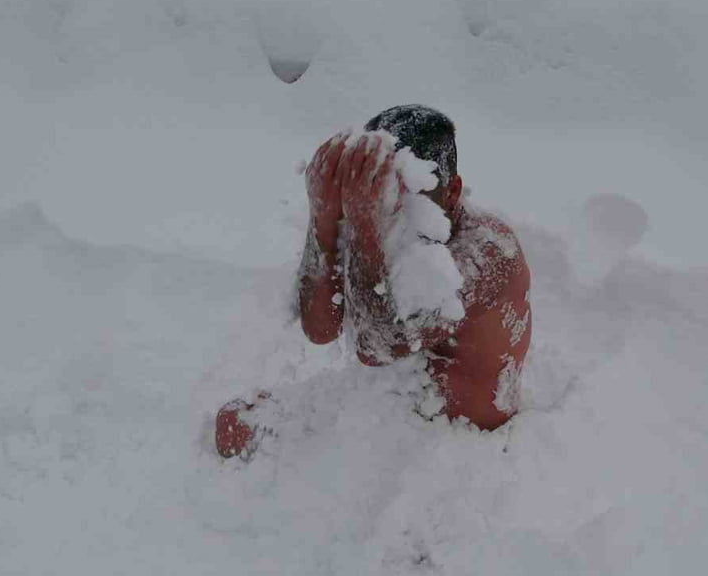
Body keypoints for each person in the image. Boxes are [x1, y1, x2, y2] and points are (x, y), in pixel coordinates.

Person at [216, 105, 531, 458]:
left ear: (453, 190)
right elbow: (320, 327)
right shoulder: (382, 212)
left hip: (457, 444)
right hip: (395, 401)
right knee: (233, 422)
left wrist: (365, 225)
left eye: (410, 203)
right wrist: (323, 217)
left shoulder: (486, 251)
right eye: (385, 202)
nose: (396, 215)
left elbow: (375, 348)